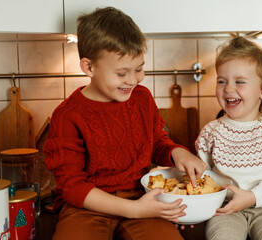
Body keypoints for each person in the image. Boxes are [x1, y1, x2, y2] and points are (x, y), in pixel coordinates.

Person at [44, 6, 206, 240]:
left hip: (142, 199)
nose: (132, 80)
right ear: (89, 67)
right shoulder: (67, 115)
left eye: (139, 69)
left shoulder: (141, 98)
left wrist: (178, 153)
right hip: (86, 208)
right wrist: (133, 209)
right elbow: (71, 186)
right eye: (121, 74)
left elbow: (156, 142)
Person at [195, 36, 262, 240]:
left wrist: (253, 197)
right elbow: (203, 176)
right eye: (222, 81)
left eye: (239, 82)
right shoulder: (210, 132)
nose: (228, 88)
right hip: (225, 209)